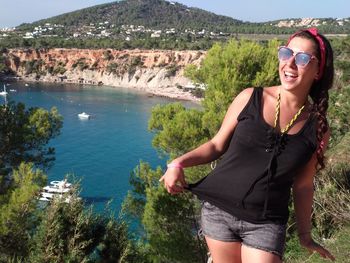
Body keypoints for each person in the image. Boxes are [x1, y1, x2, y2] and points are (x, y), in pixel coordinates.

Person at [159, 28, 336, 263]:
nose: (290, 63)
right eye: (286, 53)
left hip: (266, 222)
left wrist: (305, 235)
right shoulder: (250, 97)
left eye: (303, 58)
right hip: (219, 211)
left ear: (317, 71)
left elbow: (303, 185)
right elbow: (216, 145)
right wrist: (178, 163)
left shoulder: (318, 128)